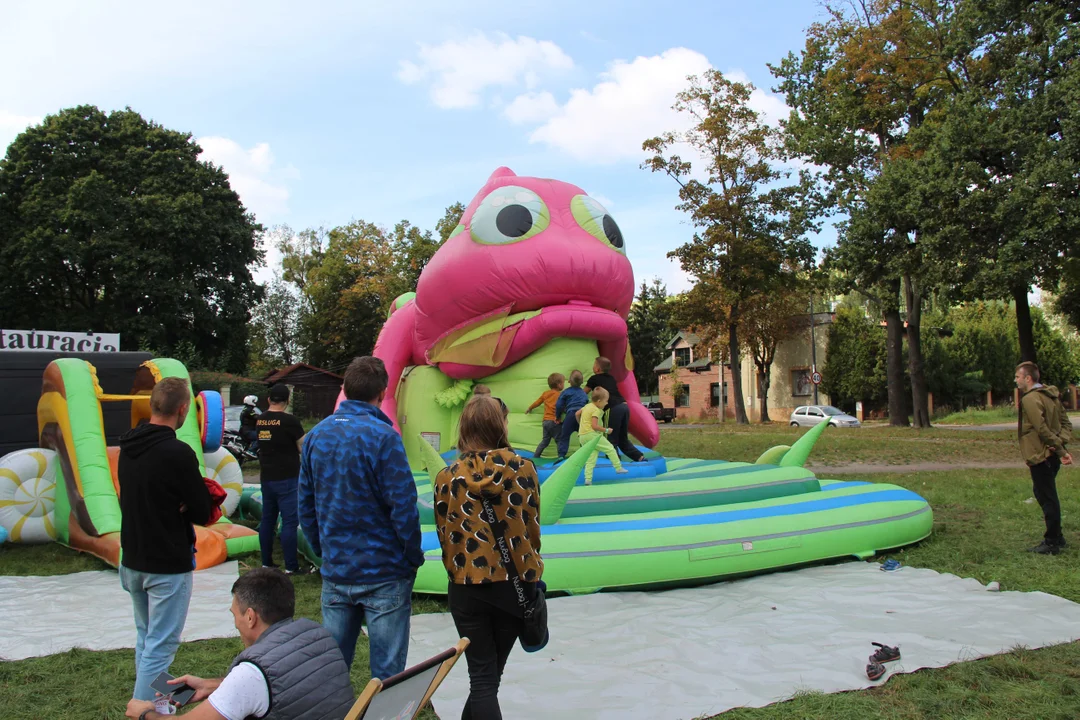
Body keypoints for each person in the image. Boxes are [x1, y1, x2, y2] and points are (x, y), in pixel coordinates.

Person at [299, 356, 424, 679]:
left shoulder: (316, 437)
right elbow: (404, 506)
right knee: (386, 673)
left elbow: (306, 505)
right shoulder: (384, 438)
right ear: (382, 392)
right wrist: (411, 556)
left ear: (344, 389)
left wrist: (323, 551)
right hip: (384, 571)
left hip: (339, 569)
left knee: (331, 670)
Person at [434, 395, 544, 720]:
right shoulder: (523, 469)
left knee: (483, 678)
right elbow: (532, 526)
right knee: (488, 679)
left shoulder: (447, 477)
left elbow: (444, 533)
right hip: (515, 584)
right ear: (500, 425)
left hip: (467, 585)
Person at [125, 568, 355, 720]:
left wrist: (145, 713)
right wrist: (212, 685)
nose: (235, 622)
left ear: (250, 617)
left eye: (234, 613)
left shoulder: (252, 673)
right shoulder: (318, 635)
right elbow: (283, 683)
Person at [118, 377, 214, 702]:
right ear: (184, 408)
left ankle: (158, 706)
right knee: (159, 645)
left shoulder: (127, 448)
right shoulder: (177, 453)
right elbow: (202, 510)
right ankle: (143, 708)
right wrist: (188, 501)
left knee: (148, 638)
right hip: (166, 565)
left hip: (132, 558)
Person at [1016, 361, 1073, 554]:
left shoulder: (1031, 399)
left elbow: (1041, 429)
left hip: (1041, 455)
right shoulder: (1051, 395)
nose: (1015, 381)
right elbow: (1066, 425)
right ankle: (1058, 536)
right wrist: (1060, 444)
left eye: (1018, 377)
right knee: (1043, 493)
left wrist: (1059, 449)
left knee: (1047, 497)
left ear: (1028, 378)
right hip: (1050, 454)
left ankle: (1052, 542)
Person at [256, 384, 306, 574]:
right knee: (290, 522)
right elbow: (302, 447)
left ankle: (266, 562)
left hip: (266, 476)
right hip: (287, 477)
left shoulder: (260, 420)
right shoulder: (290, 421)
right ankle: (291, 567)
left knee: (268, 519)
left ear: (269, 400)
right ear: (287, 401)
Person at [585, 357, 645, 463]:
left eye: (594, 365)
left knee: (610, 438)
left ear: (598, 369)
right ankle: (639, 457)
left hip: (612, 408)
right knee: (622, 438)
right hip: (624, 406)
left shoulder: (594, 379)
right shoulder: (611, 378)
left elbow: (584, 392)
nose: (593, 367)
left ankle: (614, 462)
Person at [576, 387, 629, 485]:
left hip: (582, 436)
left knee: (591, 458)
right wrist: (607, 430)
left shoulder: (587, 406)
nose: (607, 403)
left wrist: (581, 425)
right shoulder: (596, 410)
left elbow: (577, 414)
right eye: (606, 401)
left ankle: (588, 479)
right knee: (610, 448)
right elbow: (594, 426)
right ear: (599, 401)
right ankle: (618, 467)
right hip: (592, 435)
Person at [525, 373, 564, 459]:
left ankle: (536, 456)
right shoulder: (560, 395)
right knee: (559, 440)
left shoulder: (545, 394)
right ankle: (561, 457)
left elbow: (537, 402)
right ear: (559, 385)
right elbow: (561, 406)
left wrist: (530, 408)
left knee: (545, 441)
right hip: (554, 421)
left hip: (545, 422)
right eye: (563, 383)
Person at [555, 370, 589, 460]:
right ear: (582, 382)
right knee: (583, 435)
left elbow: (559, 405)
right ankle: (584, 454)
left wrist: (557, 416)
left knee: (565, 436)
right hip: (581, 416)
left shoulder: (566, 392)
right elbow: (587, 403)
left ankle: (561, 455)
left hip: (571, 415)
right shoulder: (583, 393)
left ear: (569, 381)